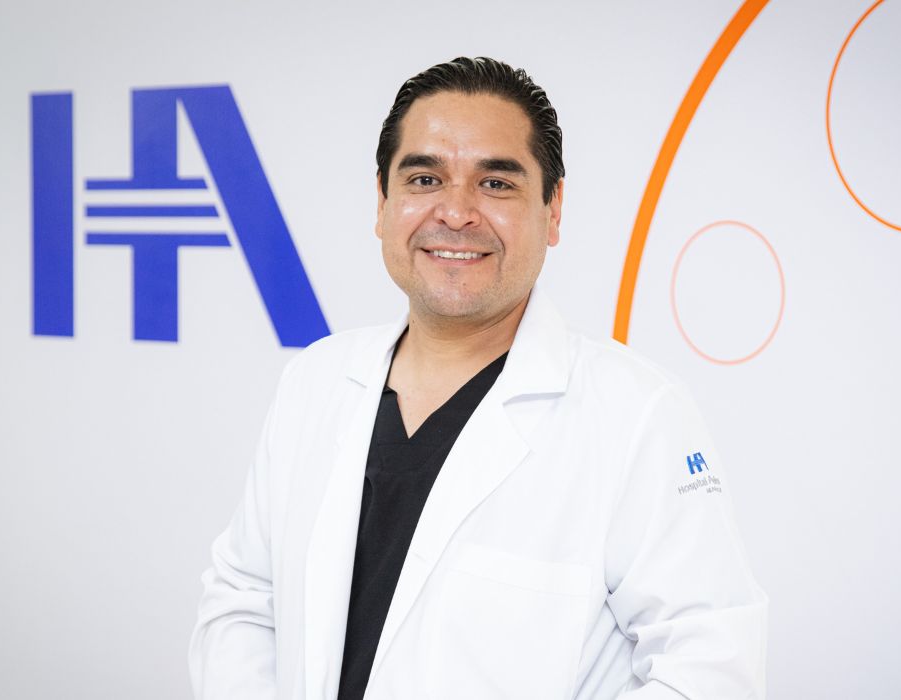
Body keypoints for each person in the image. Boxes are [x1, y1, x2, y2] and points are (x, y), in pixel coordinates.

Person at [189, 56, 767, 700]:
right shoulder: (315, 382)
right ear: (382, 202)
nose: (457, 212)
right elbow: (245, 598)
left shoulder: (637, 415)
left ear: (553, 209)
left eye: (495, 183)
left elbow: (708, 668)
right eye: (425, 178)